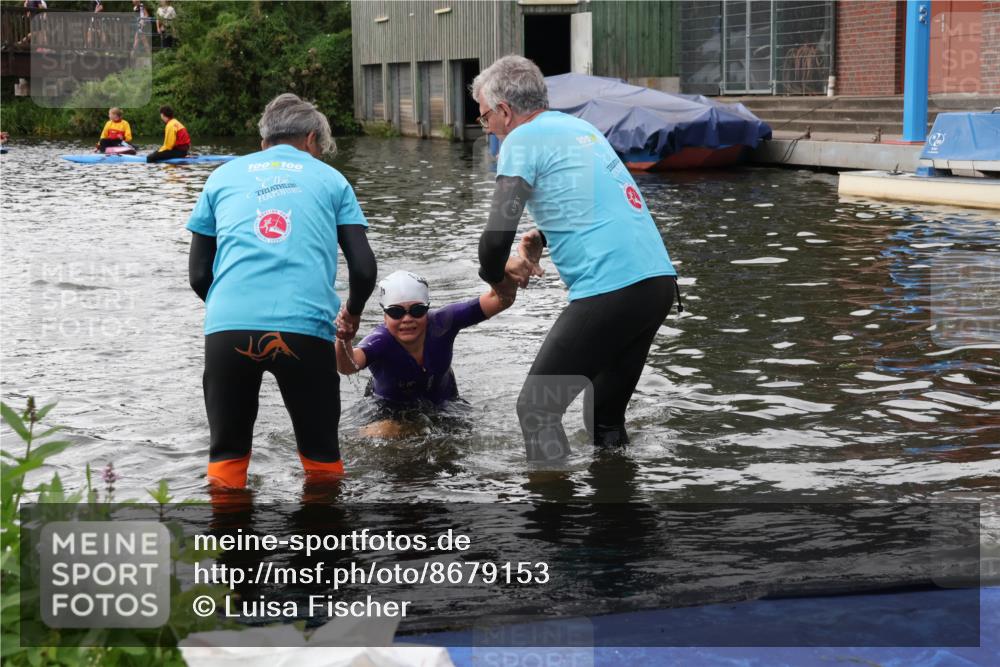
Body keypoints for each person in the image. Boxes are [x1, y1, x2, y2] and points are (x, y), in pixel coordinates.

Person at [472, 55, 680, 462]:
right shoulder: (580, 128)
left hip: (612, 289)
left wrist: (498, 279)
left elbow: (494, 241)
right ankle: (616, 518)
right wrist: (545, 236)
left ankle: (552, 521)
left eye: (484, 118)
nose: (489, 129)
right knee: (605, 421)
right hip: (656, 285)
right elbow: (598, 203)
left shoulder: (520, 139)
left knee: (536, 408)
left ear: (504, 110)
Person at [186, 93, 377, 489]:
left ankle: (231, 546)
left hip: (228, 329)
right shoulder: (331, 179)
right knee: (322, 457)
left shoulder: (221, 176)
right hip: (305, 329)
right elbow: (363, 267)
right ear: (311, 139)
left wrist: (231, 310)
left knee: (227, 458)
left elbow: (198, 274)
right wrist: (353, 312)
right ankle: (323, 542)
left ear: (263, 143)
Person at [336, 270, 518, 437]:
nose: (407, 319)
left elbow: (501, 299)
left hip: (445, 403)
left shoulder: (443, 322)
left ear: (427, 309)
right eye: (396, 312)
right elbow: (347, 366)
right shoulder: (380, 341)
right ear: (385, 316)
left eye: (417, 310)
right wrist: (343, 338)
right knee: (382, 434)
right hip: (389, 409)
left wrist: (505, 273)